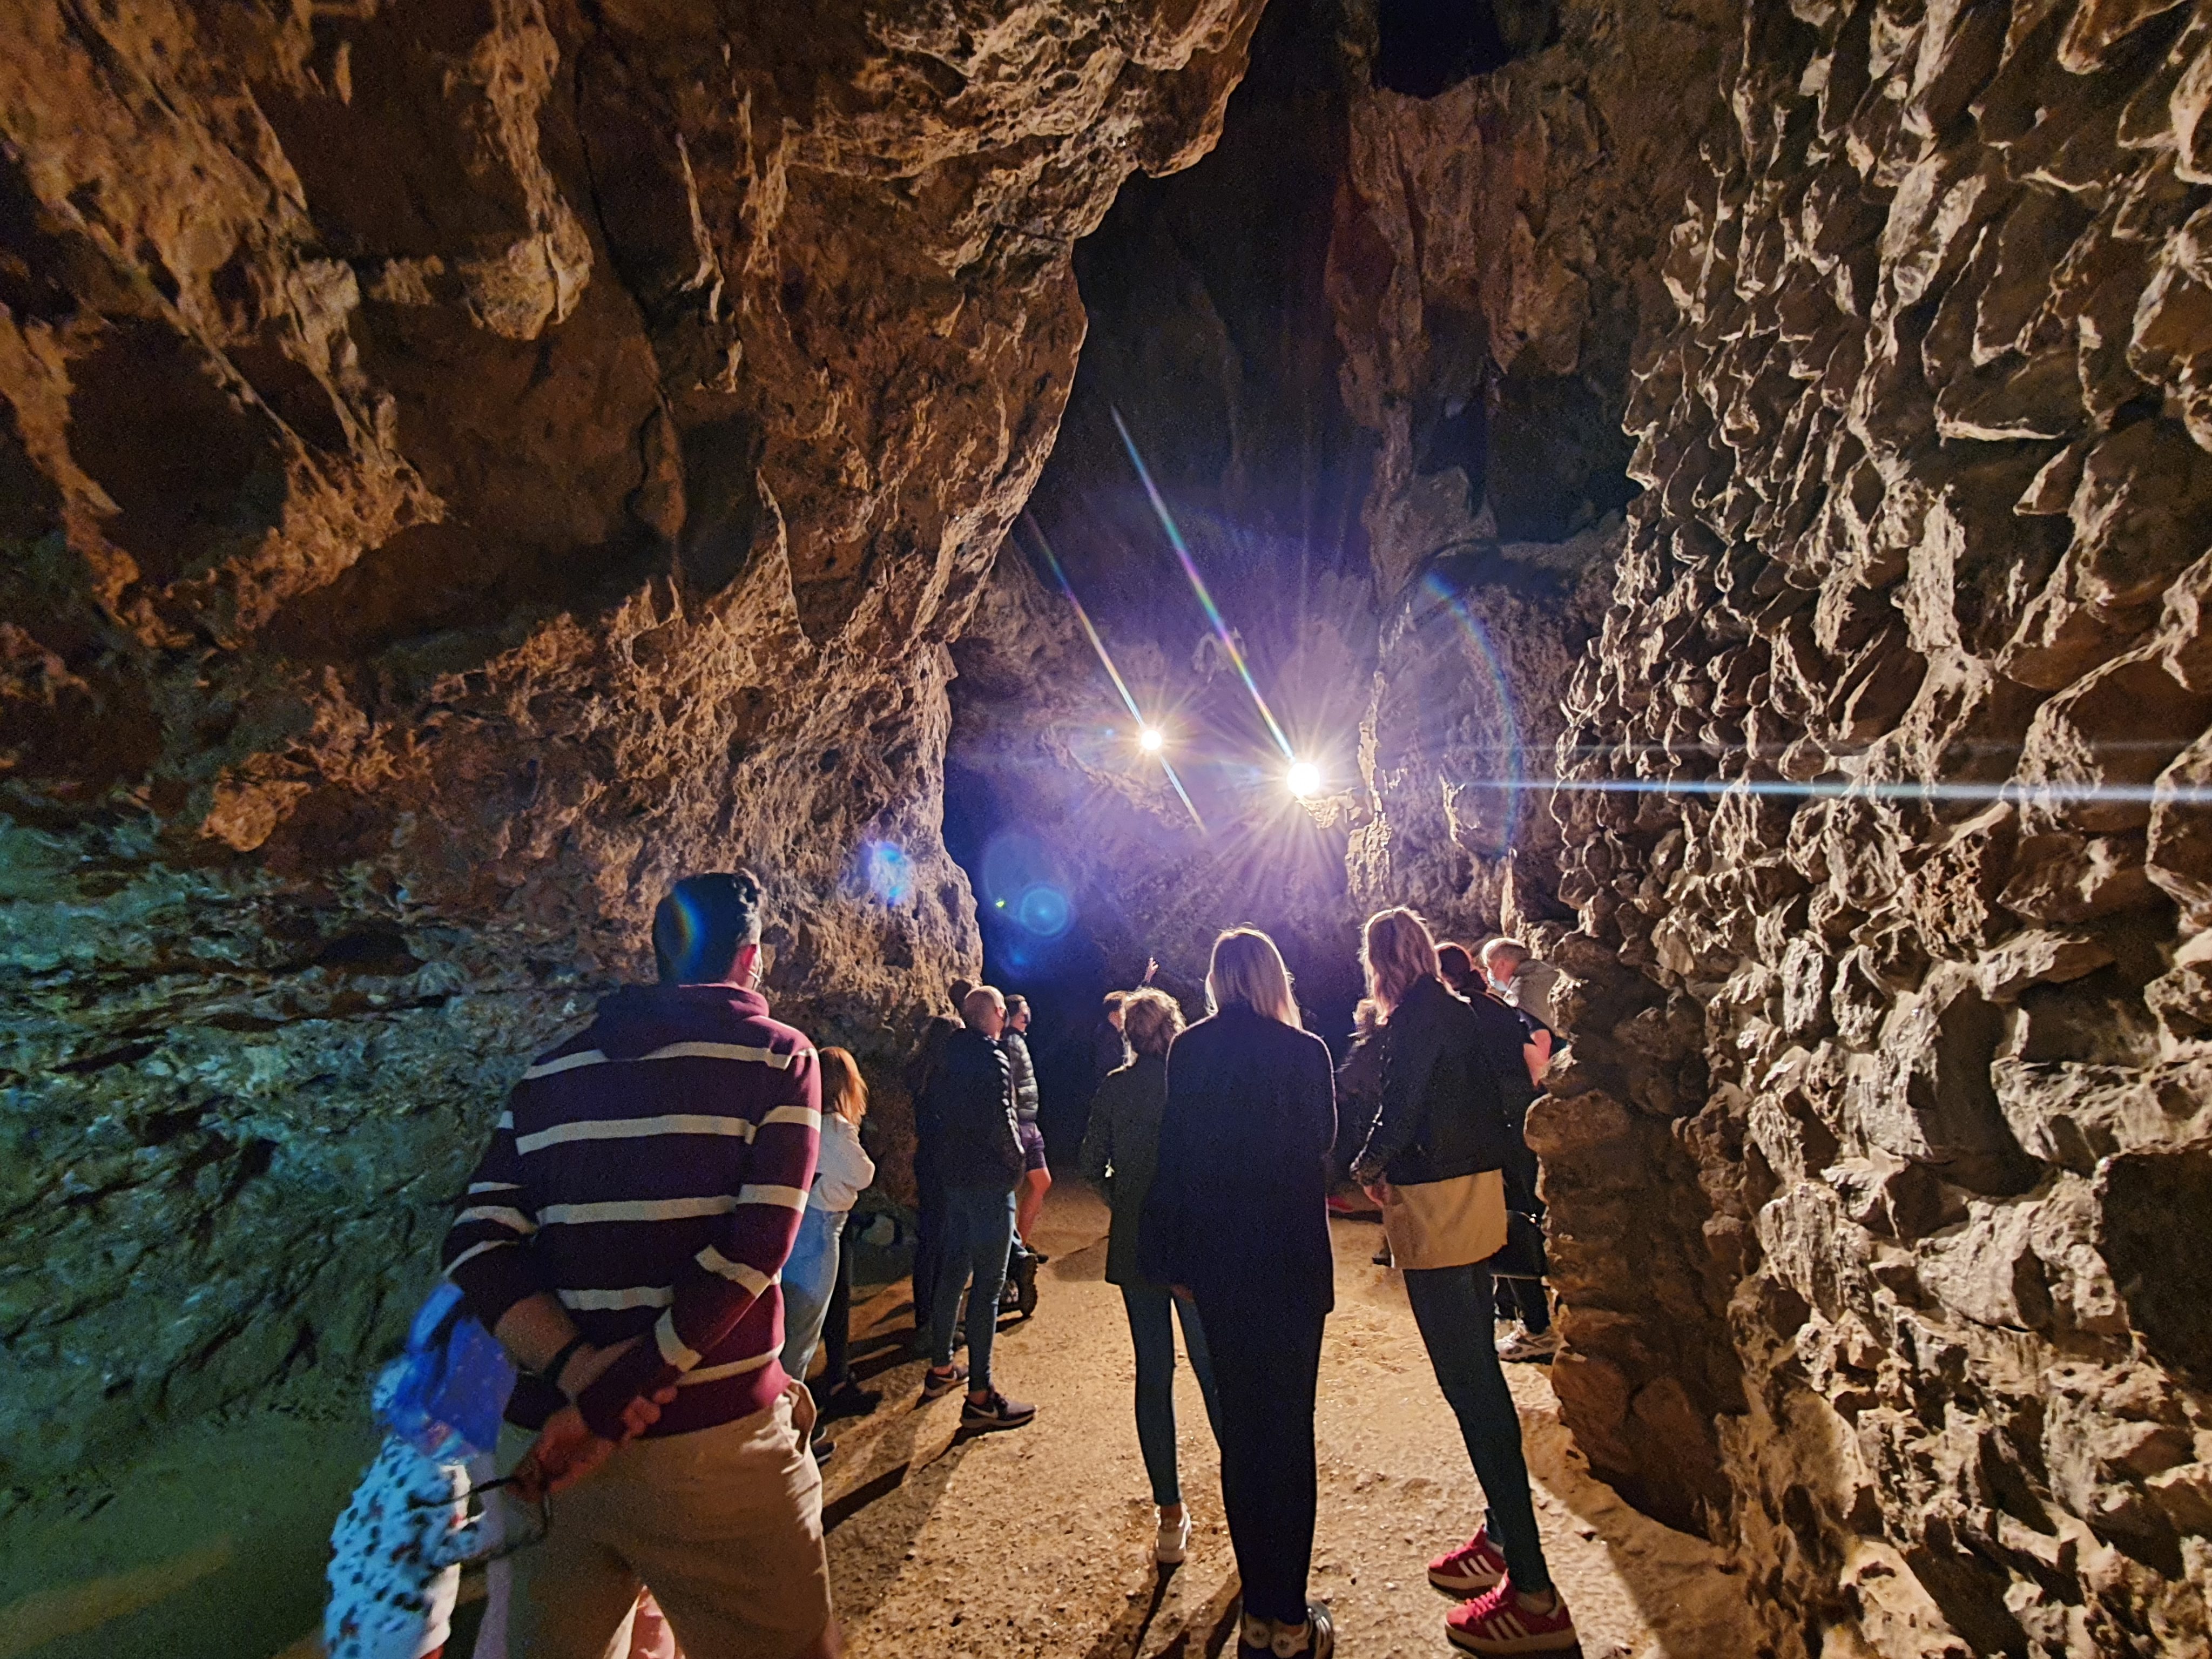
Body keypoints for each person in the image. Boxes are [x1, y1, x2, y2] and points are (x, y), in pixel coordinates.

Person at [440, 869, 839, 1659]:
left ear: (659, 954)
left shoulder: (549, 1074)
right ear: (750, 958)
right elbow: (755, 1250)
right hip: (708, 1443)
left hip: (550, 1452)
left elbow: (476, 1242)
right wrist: (609, 1401)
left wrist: (578, 1374)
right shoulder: (778, 1057)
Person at [1352, 908, 1577, 1656]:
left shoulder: (1414, 1019)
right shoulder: (1467, 1009)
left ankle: (1535, 1596)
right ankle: (1501, 1536)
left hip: (1436, 1204)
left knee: (1471, 1386)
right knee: (1479, 1374)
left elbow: (1401, 1109)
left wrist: (1364, 1168)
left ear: (1379, 962)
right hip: (1478, 1196)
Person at [1141, 930, 1338, 1659]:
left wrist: (1170, 1258)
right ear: (1272, 978)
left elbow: (1175, 1155)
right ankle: (1289, 1622)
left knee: (1245, 1431)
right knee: (1289, 1432)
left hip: (1222, 1267)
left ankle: (1257, 1614)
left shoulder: (1190, 1051)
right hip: (1290, 1267)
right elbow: (1323, 1142)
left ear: (1218, 981)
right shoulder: (1306, 1052)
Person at [1078, 986, 1224, 1567]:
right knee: (1213, 1369)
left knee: (1153, 1374)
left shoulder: (1115, 1087)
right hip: (1193, 1244)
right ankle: (1244, 1489)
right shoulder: (1193, 1082)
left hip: (1137, 1245)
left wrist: (1125, 1201)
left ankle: (1169, 1513)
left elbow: (1091, 1163)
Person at [919, 986, 1038, 1430]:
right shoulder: (991, 1057)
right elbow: (1002, 1119)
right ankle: (981, 1398)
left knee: (953, 1274)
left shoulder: (946, 1057)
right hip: (988, 1181)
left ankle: (941, 1368)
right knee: (988, 1287)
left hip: (956, 1180)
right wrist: (1016, 1165)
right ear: (997, 1014)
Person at [781, 1047, 878, 1458]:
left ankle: (788, 1429)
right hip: (821, 1232)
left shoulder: (801, 1120)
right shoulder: (836, 1129)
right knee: (801, 1338)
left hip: (800, 1227)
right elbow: (864, 1173)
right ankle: (790, 1440)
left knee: (793, 1329)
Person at [905, 1014, 961, 1347]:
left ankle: (926, 1318)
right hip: (946, 1162)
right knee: (942, 1243)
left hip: (927, 1159)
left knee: (929, 1241)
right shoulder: (947, 1077)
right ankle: (934, 1324)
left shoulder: (921, 1072)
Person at [1003, 994, 1051, 1300]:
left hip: (1028, 1122)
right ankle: (1013, 1258)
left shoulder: (1017, 1040)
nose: (1028, 1017)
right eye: (1023, 1012)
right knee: (1010, 1189)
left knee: (1041, 1181)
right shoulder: (1009, 1042)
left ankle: (1019, 1247)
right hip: (1019, 1124)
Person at [1480, 937, 1563, 1034]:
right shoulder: (1552, 970)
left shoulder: (1517, 996)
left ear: (1502, 964)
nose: (1490, 974)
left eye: (1489, 967)